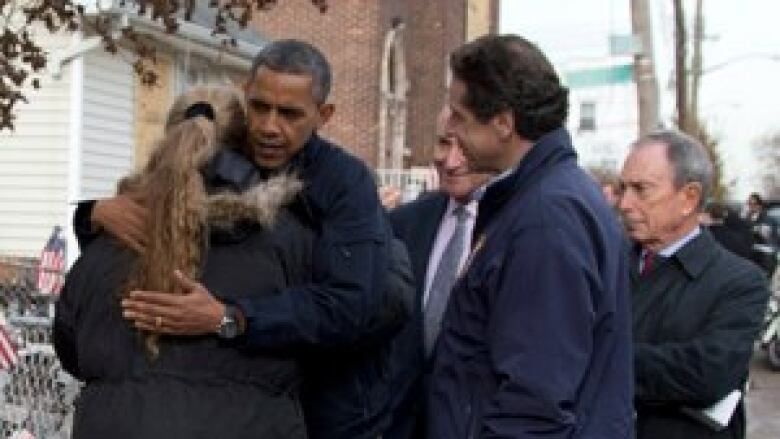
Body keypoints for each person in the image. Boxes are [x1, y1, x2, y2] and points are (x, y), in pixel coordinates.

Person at [72, 40, 412, 438]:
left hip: (332, 407)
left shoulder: (343, 184)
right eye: (259, 107)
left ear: (324, 115)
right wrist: (91, 215)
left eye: (289, 114)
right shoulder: (225, 159)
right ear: (244, 94)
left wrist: (229, 318)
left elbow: (354, 304)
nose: (269, 126)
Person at [54, 85, 312, 438]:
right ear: (245, 148)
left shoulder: (107, 241)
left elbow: (71, 348)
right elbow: (328, 331)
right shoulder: (288, 241)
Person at [427, 34, 634, 438]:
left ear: (503, 123)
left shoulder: (546, 220)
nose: (450, 128)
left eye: (459, 116)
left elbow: (534, 401)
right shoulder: (540, 201)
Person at [617, 130, 769, 439]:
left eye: (640, 189)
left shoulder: (740, 281)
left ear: (688, 198)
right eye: (623, 189)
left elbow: (708, 373)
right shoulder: (604, 265)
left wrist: (602, 356)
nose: (624, 203)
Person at [384, 108, 493, 439]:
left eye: (464, 147)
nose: (450, 160)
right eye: (444, 143)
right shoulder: (403, 224)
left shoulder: (511, 234)